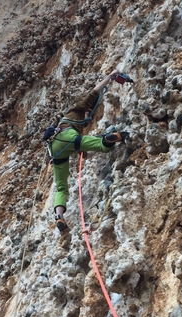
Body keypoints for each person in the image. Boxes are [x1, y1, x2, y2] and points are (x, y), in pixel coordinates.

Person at [45, 69, 130, 231]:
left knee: (61, 187)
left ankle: (59, 216)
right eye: (87, 114)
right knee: (97, 142)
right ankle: (108, 139)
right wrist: (111, 75)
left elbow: (84, 155)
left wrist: (91, 152)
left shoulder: (69, 125)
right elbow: (95, 91)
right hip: (68, 137)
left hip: (55, 150)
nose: (87, 117)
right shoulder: (75, 111)